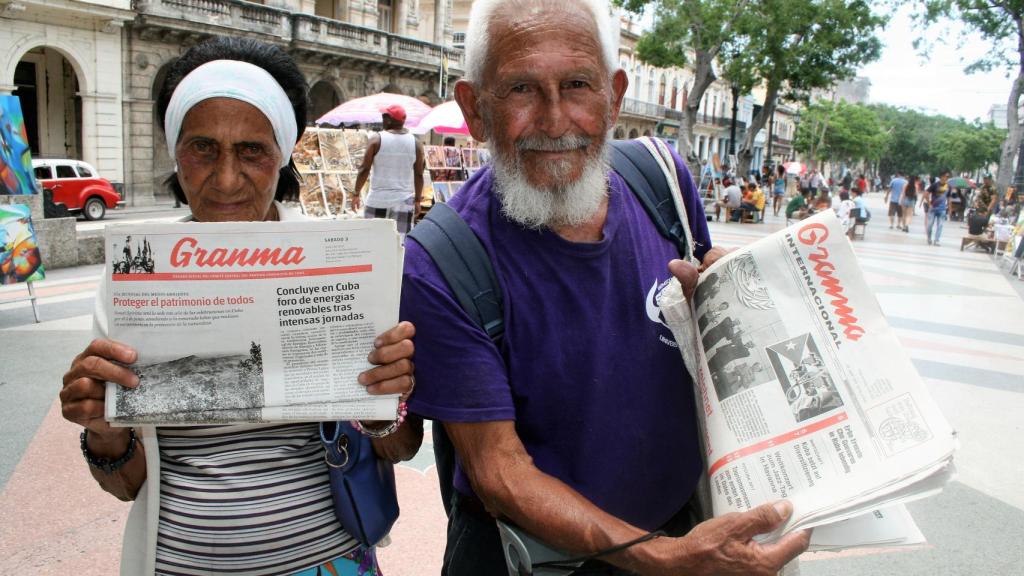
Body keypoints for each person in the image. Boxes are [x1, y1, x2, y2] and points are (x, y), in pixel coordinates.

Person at [399, 1, 810, 574]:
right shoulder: (439, 261)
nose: (554, 119)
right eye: (521, 89)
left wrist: (738, 302)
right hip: (532, 561)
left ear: (614, 96)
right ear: (475, 110)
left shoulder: (663, 181)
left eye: (577, 85)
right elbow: (500, 474)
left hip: (685, 532)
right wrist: (662, 557)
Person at [59, 37, 422, 576]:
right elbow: (126, 485)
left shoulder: (343, 263)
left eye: (251, 150)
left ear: (281, 156)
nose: (226, 178)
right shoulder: (133, 278)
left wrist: (385, 397)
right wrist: (103, 431)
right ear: (175, 153)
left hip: (329, 561)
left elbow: (402, 448)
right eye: (203, 148)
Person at [353, 104, 426, 235]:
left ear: (388, 120)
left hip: (377, 200)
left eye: (384, 117)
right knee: (400, 244)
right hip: (404, 201)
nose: (382, 120)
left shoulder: (376, 139)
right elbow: (419, 174)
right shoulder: (416, 144)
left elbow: (364, 169)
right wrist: (418, 201)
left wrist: (356, 193)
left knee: (373, 242)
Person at [923, 170, 951, 246]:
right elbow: (926, 194)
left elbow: (949, 198)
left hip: (942, 209)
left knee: (940, 225)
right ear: (941, 176)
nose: (947, 178)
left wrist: (950, 209)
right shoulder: (935, 185)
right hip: (933, 209)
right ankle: (929, 238)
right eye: (946, 176)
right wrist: (929, 204)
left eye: (948, 177)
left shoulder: (948, 187)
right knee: (929, 225)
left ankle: (937, 240)